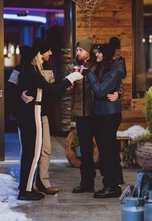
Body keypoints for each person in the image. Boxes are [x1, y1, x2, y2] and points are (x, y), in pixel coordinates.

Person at [17, 45, 83, 201]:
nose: (42, 56)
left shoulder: (27, 71)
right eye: (39, 54)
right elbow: (53, 91)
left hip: (30, 113)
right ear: (34, 57)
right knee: (33, 153)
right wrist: (70, 78)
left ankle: (26, 187)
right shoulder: (33, 73)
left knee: (30, 153)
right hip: (34, 113)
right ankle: (26, 190)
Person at [70, 37, 120, 194]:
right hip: (81, 114)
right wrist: (68, 87)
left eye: (80, 50)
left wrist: (119, 94)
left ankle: (110, 183)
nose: (77, 52)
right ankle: (86, 182)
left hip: (97, 113)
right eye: (77, 50)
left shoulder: (98, 65)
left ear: (88, 52)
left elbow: (113, 82)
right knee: (84, 150)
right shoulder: (74, 67)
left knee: (104, 148)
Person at [82, 43, 127, 198]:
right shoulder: (104, 67)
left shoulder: (114, 72)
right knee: (107, 151)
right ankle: (113, 183)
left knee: (107, 151)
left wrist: (88, 74)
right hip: (102, 115)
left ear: (106, 55)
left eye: (99, 53)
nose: (97, 55)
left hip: (110, 116)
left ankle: (111, 186)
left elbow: (100, 91)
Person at [31, 38, 59, 195]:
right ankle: (32, 183)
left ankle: (43, 181)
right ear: (41, 52)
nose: (51, 53)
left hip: (44, 114)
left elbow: (51, 89)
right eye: (48, 50)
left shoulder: (48, 66)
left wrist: (60, 88)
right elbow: (13, 86)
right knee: (34, 150)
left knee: (46, 149)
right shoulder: (29, 67)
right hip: (33, 115)